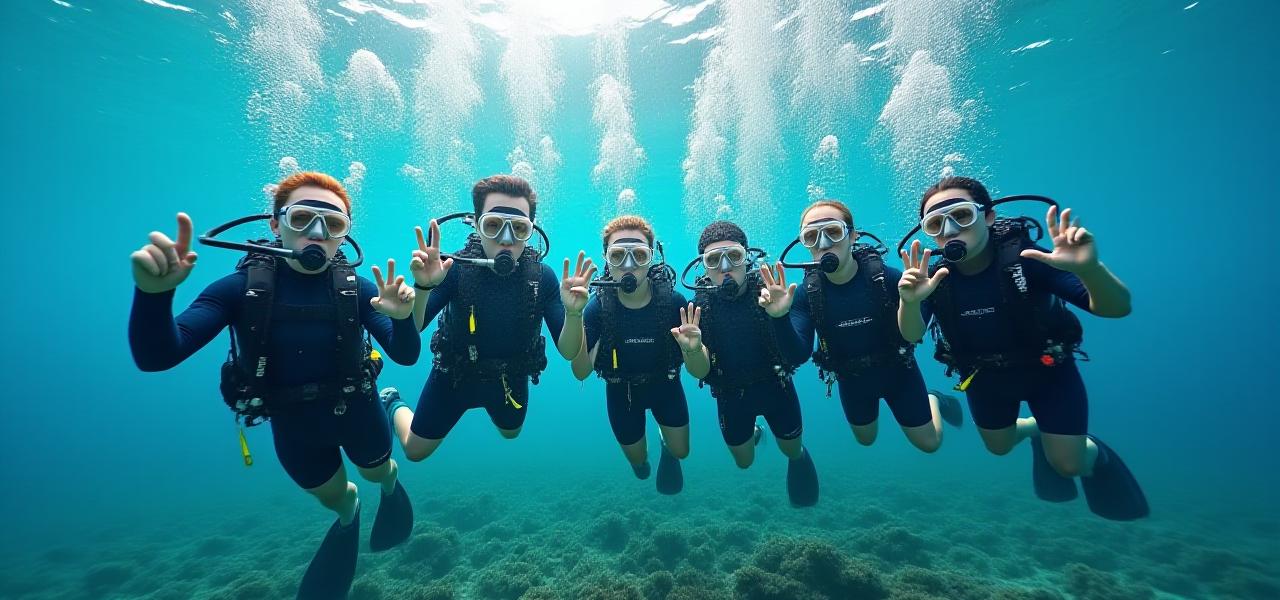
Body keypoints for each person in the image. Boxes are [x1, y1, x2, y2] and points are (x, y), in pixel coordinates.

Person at [128, 172, 421, 598]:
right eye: (302, 218)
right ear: (275, 224)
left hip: (357, 409)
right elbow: (157, 356)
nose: (317, 233)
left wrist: (399, 318)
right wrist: (153, 295)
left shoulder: (358, 289)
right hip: (294, 425)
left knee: (380, 471)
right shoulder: (239, 290)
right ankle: (350, 512)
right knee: (337, 497)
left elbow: (406, 353)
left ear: (344, 235)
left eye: (333, 224)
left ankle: (390, 485)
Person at [897, 176, 1148, 520]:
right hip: (984, 378)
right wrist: (909, 302)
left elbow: (1117, 308)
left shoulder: (1025, 258)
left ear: (987, 217)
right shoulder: (934, 278)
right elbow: (911, 335)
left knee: (1068, 464)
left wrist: (1091, 270)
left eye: (962, 216)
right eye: (936, 224)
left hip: (1048, 371)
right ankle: (1032, 428)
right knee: (998, 448)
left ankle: (1094, 453)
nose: (950, 229)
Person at [382, 175, 582, 462]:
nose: (506, 238)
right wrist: (424, 286)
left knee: (511, 433)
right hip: (454, 375)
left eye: (519, 228)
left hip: (509, 378)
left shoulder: (543, 277)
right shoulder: (454, 269)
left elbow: (569, 350)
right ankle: (393, 403)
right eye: (493, 225)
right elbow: (414, 328)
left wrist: (574, 312)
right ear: (476, 224)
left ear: (531, 231)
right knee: (414, 451)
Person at [787, 199, 964, 453]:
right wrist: (780, 317)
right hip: (851, 378)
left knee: (930, 444)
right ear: (804, 244)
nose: (823, 243)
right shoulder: (807, 294)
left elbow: (913, 335)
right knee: (866, 439)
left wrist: (911, 302)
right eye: (811, 236)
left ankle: (933, 398)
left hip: (899, 372)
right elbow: (797, 354)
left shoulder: (885, 278)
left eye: (833, 232)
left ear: (853, 236)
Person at [683, 221, 819, 507]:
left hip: (776, 387)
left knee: (792, 451)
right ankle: (757, 432)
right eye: (713, 260)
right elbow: (701, 371)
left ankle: (798, 458)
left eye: (733, 256)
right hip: (731, 396)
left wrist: (780, 316)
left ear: (748, 258)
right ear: (703, 267)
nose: (724, 267)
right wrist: (693, 350)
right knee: (744, 463)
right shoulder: (699, 308)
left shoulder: (772, 292)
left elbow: (796, 355)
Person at [566, 216, 691, 494]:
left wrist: (693, 350)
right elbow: (581, 371)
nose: (629, 265)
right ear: (606, 260)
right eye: (618, 255)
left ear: (652, 257)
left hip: (665, 386)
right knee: (640, 464)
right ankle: (644, 458)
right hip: (621, 392)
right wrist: (574, 313)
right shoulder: (598, 308)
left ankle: (667, 447)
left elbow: (697, 365)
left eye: (639, 255)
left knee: (681, 452)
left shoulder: (673, 303)